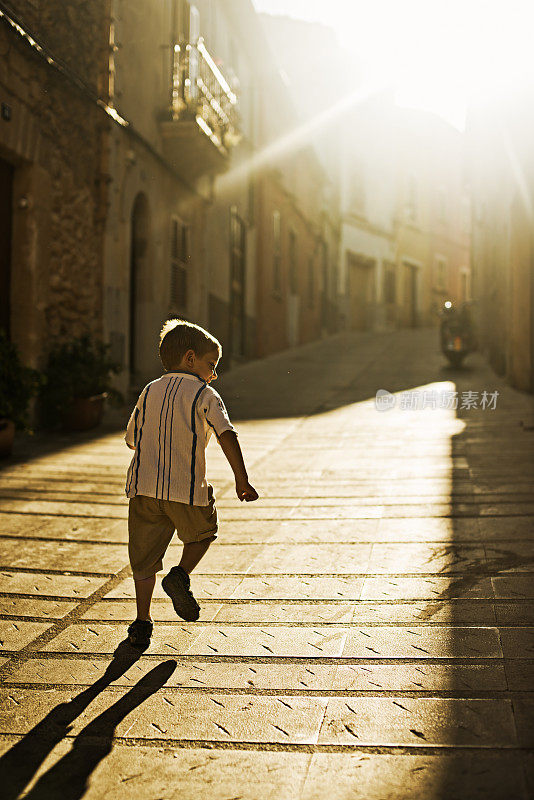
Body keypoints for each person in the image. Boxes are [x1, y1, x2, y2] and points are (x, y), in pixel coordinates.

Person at [124, 319, 258, 647]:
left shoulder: (148, 390)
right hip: (185, 491)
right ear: (189, 359)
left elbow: (131, 439)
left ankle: (142, 623)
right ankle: (180, 575)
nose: (214, 374)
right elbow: (227, 433)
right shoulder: (205, 393)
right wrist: (241, 479)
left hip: (143, 490)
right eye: (211, 365)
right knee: (202, 534)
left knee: (143, 560)